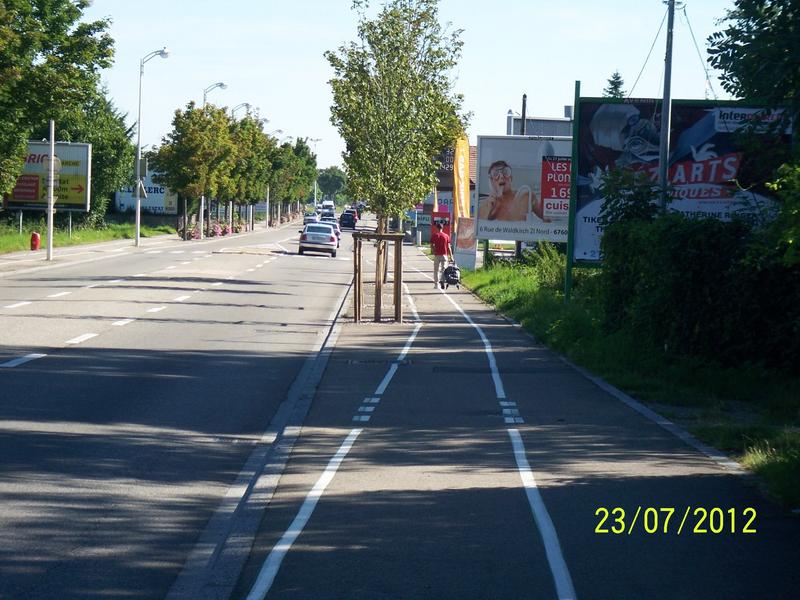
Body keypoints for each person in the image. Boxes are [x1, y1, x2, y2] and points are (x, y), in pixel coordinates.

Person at [478, 160, 548, 222]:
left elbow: (547, 218)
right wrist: (493, 209)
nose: (502, 177)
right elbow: (481, 230)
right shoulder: (485, 206)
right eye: (496, 174)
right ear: (491, 181)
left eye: (505, 172)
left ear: (511, 178)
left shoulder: (525, 196)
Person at [430, 222, 453, 289]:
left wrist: (434, 251)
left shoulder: (434, 235)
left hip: (437, 255)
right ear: (442, 228)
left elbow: (431, 245)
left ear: (437, 228)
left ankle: (436, 285)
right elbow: (449, 247)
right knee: (443, 270)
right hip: (444, 255)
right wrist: (451, 256)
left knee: (436, 270)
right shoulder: (446, 236)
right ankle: (442, 280)